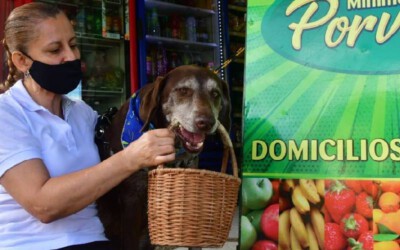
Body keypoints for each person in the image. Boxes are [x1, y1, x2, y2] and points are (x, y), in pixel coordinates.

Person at [0, 3, 175, 249]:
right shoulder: (7, 114)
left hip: (96, 241)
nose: (71, 57)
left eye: (73, 45)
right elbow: (43, 204)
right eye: (55, 49)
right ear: (21, 61)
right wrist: (130, 159)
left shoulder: (81, 112)